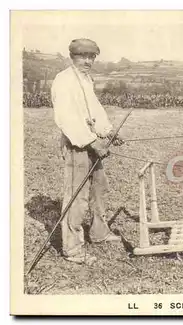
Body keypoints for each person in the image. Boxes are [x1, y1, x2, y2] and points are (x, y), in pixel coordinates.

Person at [51, 38, 124, 265]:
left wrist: (109, 132)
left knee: (100, 188)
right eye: (83, 56)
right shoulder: (63, 81)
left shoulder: (86, 80)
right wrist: (94, 143)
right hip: (77, 145)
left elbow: (95, 110)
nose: (88, 61)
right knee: (77, 196)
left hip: (93, 142)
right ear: (72, 57)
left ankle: (99, 232)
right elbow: (67, 120)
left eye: (92, 57)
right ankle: (72, 248)